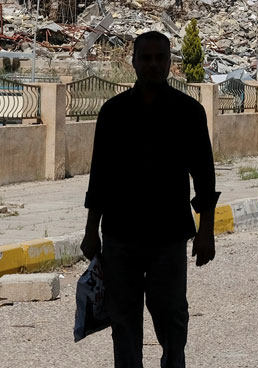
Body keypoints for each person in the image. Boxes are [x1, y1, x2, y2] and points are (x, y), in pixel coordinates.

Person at [81, 31, 219, 368]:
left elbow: (204, 176)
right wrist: (90, 231)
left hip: (168, 237)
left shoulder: (189, 112)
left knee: (172, 318)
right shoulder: (113, 113)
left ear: (171, 63)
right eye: (146, 58)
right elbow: (100, 175)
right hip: (120, 235)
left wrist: (206, 231)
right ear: (134, 62)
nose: (153, 65)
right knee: (124, 322)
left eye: (160, 58)